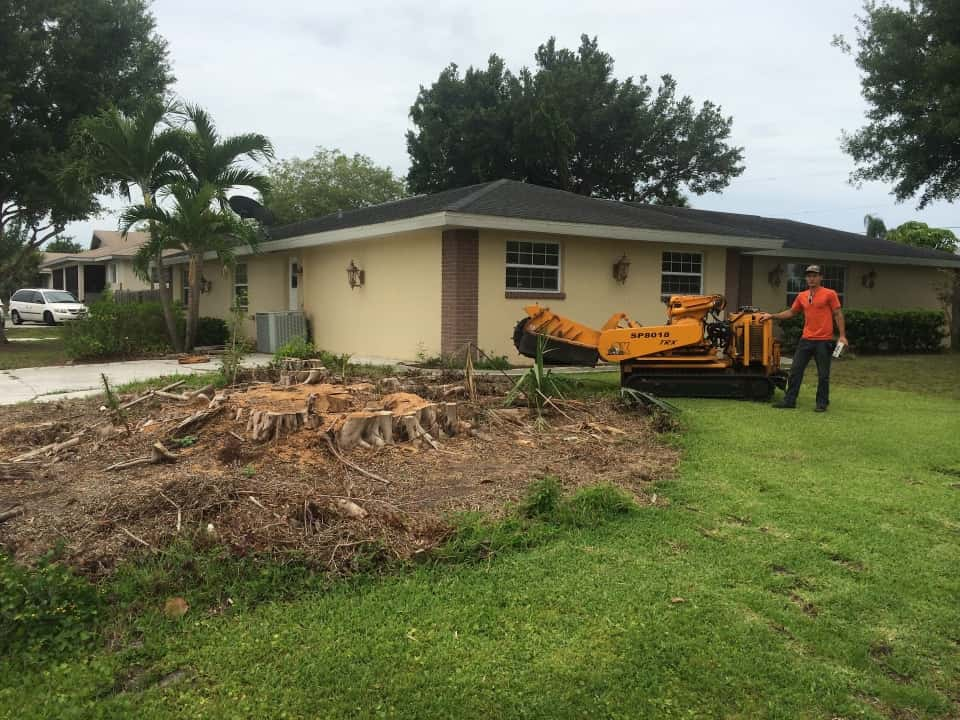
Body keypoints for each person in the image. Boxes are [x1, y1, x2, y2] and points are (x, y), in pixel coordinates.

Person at [760, 265, 848, 412]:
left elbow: (838, 314)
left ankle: (821, 403)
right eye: (809, 276)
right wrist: (772, 316)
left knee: (823, 374)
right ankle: (789, 401)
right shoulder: (802, 296)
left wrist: (842, 336)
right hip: (806, 340)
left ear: (821, 277)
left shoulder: (829, 294)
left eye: (814, 275)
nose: (811, 278)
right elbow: (791, 312)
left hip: (824, 340)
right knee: (795, 371)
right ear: (806, 278)